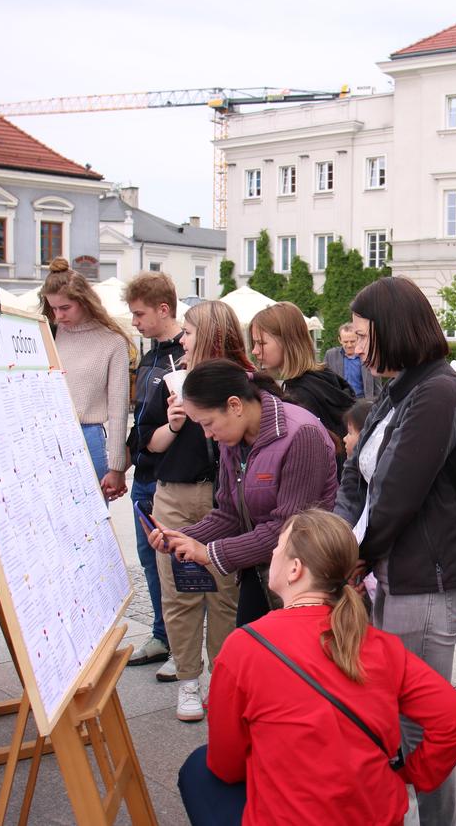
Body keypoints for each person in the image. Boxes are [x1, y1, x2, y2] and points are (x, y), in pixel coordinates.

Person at [177, 509, 456, 826]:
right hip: (378, 815)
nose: (272, 553)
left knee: (199, 770)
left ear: (295, 569)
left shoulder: (244, 647)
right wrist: (409, 774)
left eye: (278, 546)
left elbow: (226, 765)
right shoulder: (380, 645)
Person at [334, 276, 456, 825]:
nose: (353, 342)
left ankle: (431, 818)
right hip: (391, 570)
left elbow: (397, 494)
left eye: (360, 332)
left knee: (418, 720)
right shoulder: (401, 388)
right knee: (396, 712)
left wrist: (351, 558)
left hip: (426, 578)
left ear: (391, 331)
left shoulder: (438, 392)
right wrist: (338, 538)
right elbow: (355, 477)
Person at [148, 358, 337, 629]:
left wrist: (210, 552)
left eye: (208, 423)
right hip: (261, 570)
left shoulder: (300, 434)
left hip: (305, 580)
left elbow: (289, 529)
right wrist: (182, 538)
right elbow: (229, 512)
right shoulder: (234, 436)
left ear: (234, 405)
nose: (207, 434)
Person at [137, 302, 251, 722]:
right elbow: (145, 444)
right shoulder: (169, 381)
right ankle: (188, 681)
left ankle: (222, 683)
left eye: (188, 330)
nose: (181, 338)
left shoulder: (239, 383)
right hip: (176, 495)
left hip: (225, 500)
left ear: (210, 333)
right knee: (180, 591)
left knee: (226, 595)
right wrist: (173, 424)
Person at [123, 271, 185, 674]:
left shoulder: (185, 355)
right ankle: (162, 635)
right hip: (143, 475)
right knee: (149, 562)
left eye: (139, 313)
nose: (134, 321)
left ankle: (182, 650)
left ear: (164, 309)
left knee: (175, 567)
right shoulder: (149, 356)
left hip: (170, 477)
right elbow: (139, 421)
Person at [39, 257, 132, 501]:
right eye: (53, 308)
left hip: (88, 439)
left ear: (83, 301)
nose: (58, 315)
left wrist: (116, 466)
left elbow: (118, 410)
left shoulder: (113, 341)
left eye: (65, 308)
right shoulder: (48, 334)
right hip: (47, 438)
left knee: (91, 527)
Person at [251, 302, 355, 470]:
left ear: (287, 342)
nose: (255, 351)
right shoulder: (322, 379)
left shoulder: (301, 394)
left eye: (261, 343)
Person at [325, 322, 382, 400]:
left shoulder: (369, 356)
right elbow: (325, 381)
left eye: (352, 341)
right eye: (345, 342)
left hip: (363, 402)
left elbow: (377, 386)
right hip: (340, 402)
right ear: (339, 340)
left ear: (358, 338)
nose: (349, 345)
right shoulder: (330, 355)